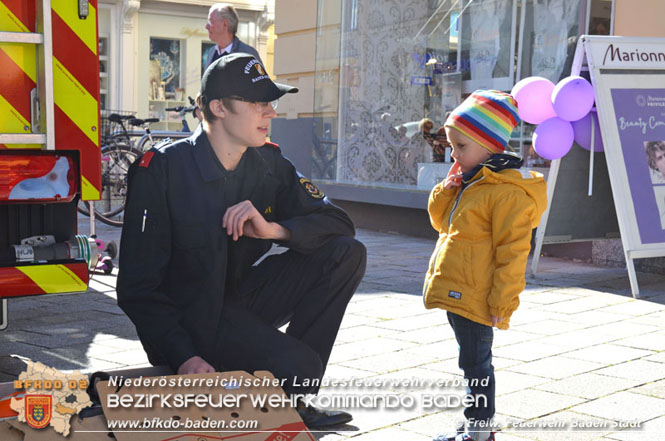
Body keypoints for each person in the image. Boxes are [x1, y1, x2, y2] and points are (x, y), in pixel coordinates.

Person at [117, 53, 367, 429]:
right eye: (257, 103)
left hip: (240, 301)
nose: (270, 112)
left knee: (346, 253)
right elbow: (137, 287)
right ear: (217, 108)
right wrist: (184, 357)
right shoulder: (163, 171)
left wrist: (274, 229)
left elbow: (338, 224)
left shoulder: (268, 164)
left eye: (270, 102)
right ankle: (274, 382)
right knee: (299, 367)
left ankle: (289, 395)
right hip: (189, 322)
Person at [422, 90, 547, 441]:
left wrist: (502, 303)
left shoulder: (504, 193)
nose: (453, 154)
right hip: (461, 290)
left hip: (479, 297)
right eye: (451, 146)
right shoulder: (472, 180)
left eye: (461, 146)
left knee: (477, 366)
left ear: (489, 146)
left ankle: (479, 432)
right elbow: (440, 221)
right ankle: (475, 425)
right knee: (471, 363)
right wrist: (447, 188)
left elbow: (513, 252)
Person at [204, 3, 262, 69]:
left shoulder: (248, 54)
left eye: (211, 22)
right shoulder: (212, 52)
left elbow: (261, 78)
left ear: (225, 24)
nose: (206, 27)